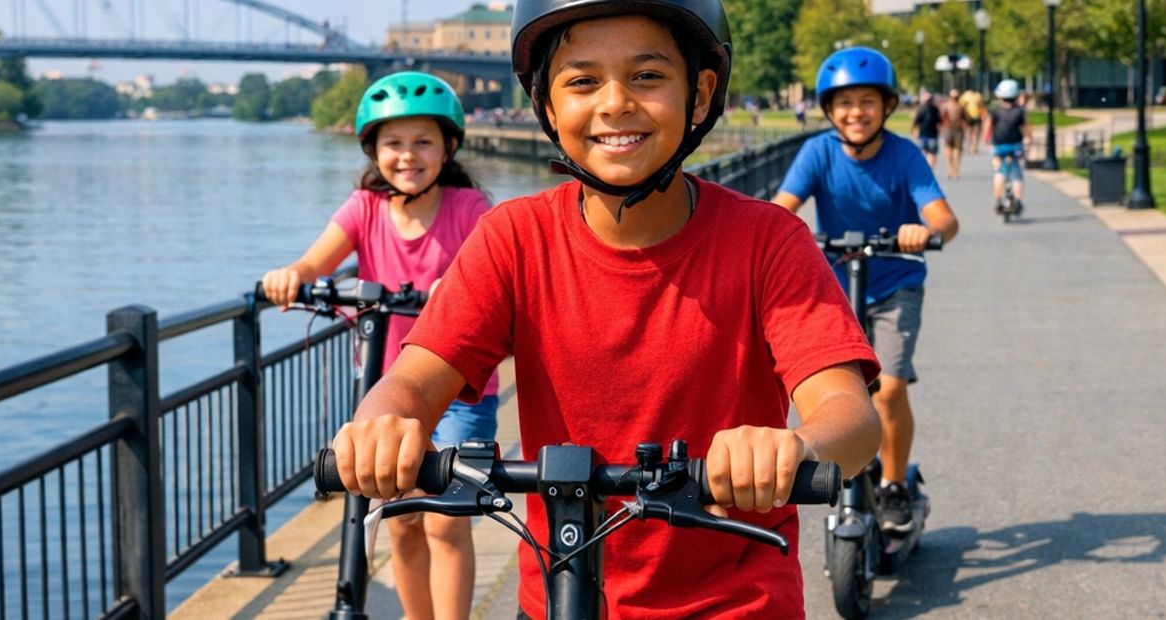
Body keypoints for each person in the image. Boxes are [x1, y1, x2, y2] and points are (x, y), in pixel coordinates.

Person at [329, 1, 885, 618]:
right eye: (582, 81)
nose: (615, 102)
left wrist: (796, 447)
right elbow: (412, 379)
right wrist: (383, 424)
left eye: (647, 76)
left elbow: (850, 416)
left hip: (734, 601)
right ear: (545, 106)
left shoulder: (769, 241)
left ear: (700, 95)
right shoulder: (512, 238)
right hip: (560, 593)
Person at [261, 71, 499, 620]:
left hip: (462, 392)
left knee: (445, 520)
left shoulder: (469, 210)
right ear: (373, 149)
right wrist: (291, 276)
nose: (407, 156)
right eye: (393, 143)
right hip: (387, 392)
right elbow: (316, 260)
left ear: (449, 147)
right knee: (403, 519)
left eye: (423, 142)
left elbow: (489, 275)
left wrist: (456, 290)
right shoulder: (364, 208)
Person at [771, 47, 959, 535]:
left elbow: (943, 217)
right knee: (843, 393)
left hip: (897, 282)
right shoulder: (818, 152)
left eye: (868, 101)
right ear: (829, 110)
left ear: (888, 106)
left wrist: (922, 230)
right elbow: (781, 208)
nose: (857, 112)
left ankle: (895, 483)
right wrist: (774, 235)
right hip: (835, 287)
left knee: (890, 390)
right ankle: (857, 467)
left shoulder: (904, 154)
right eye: (845, 103)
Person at [983, 79, 1032, 214]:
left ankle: (998, 200)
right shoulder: (1020, 111)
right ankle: (1018, 200)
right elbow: (1026, 129)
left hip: (999, 146)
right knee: (1017, 174)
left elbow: (987, 128)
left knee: (999, 173)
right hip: (1016, 146)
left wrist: (987, 140)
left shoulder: (994, 111)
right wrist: (1029, 141)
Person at [910, 90, 941, 170]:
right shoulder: (935, 109)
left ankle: (926, 169)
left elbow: (915, 121)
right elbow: (939, 122)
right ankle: (930, 169)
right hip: (932, 134)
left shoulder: (920, 109)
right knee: (932, 153)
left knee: (923, 153)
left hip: (923, 134)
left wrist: (912, 130)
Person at [939, 88, 967, 180]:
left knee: (953, 151)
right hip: (954, 130)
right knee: (954, 152)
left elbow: (940, 118)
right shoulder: (960, 106)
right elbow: (966, 119)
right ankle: (953, 171)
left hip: (951, 130)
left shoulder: (946, 105)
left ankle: (952, 171)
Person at [959, 89, 985, 154]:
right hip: (975, 116)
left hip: (969, 117)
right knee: (975, 133)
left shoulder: (964, 96)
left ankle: (970, 147)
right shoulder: (977, 96)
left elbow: (961, 107)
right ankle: (973, 147)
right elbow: (981, 106)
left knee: (969, 133)